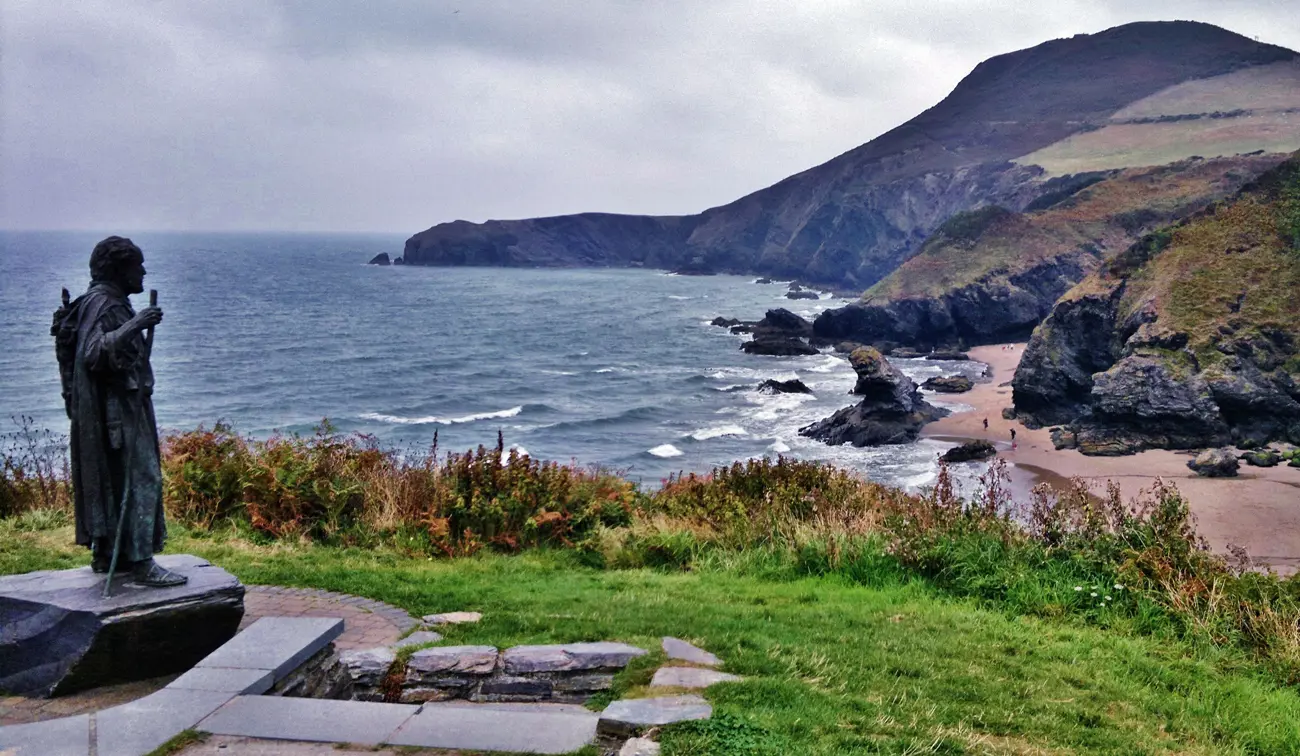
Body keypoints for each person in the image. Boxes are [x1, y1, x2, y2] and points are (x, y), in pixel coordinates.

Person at [53, 236, 186, 587]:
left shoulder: (94, 303)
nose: (143, 272)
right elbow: (94, 354)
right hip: (119, 412)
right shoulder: (108, 307)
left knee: (116, 481)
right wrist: (136, 325)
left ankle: (110, 552)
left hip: (114, 408)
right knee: (143, 478)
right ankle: (141, 561)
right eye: (137, 266)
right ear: (119, 270)